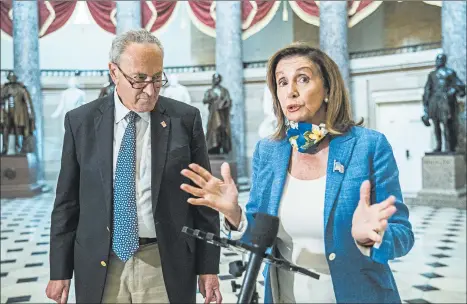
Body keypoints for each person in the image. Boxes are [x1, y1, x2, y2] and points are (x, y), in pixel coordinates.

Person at [180, 43, 414, 303]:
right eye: (282, 82)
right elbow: (260, 236)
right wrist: (235, 215)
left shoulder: (368, 146)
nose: (290, 91)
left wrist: (374, 237)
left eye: (302, 79)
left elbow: (403, 235)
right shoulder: (268, 151)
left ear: (327, 88)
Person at [46, 29, 222, 304]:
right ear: (114, 72)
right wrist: (59, 271)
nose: (150, 90)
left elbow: (204, 201)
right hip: (100, 263)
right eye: (139, 79)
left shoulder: (184, 120)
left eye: (157, 78)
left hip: (165, 264)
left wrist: (209, 267)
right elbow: (66, 202)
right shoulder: (81, 122)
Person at [422, 53, 466, 152]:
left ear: (444, 61)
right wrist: (426, 107)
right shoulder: (432, 74)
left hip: (445, 101)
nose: (438, 61)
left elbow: (460, 86)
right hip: (434, 101)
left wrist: (452, 91)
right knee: (436, 124)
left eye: (440, 59)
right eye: (437, 59)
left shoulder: (450, 73)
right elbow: (427, 90)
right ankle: (438, 145)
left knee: (447, 124)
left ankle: (448, 146)